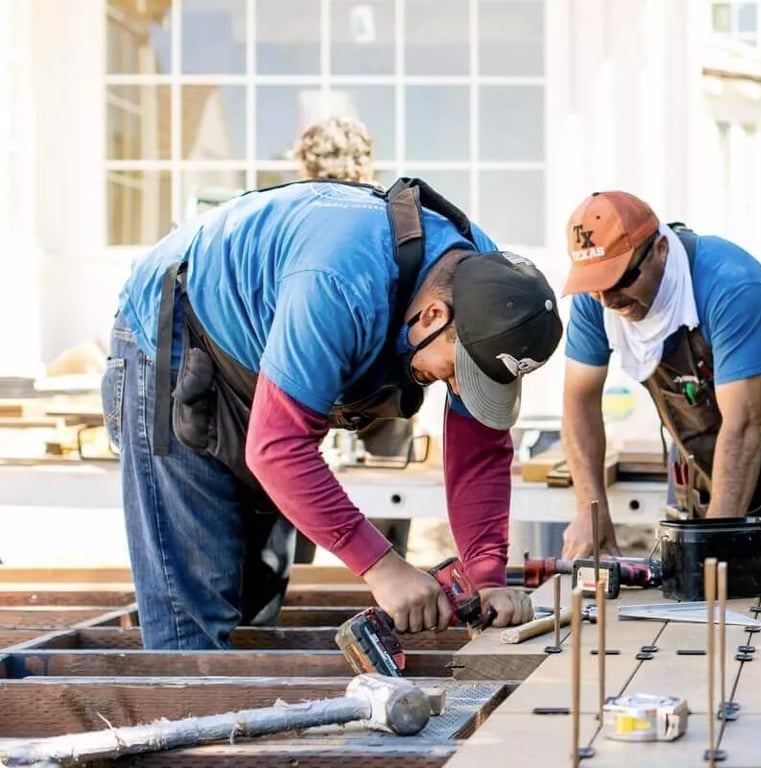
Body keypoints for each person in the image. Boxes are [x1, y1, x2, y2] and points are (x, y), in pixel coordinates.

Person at [101, 177, 562, 649]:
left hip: (261, 340)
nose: (462, 388)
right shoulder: (339, 284)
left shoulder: (489, 290)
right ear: (433, 317)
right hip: (175, 331)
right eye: (458, 371)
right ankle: (185, 710)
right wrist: (383, 567)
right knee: (195, 609)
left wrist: (486, 573)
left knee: (255, 599)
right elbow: (277, 448)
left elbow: (480, 450)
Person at [559, 191, 761, 562]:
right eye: (597, 286)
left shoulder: (731, 286)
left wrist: (712, 549)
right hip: (701, 462)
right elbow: (579, 402)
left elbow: (744, 426)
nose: (609, 300)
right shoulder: (596, 296)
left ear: (661, 249)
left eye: (622, 279)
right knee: (695, 607)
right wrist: (590, 509)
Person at [290, 115, 412, 564]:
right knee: (390, 468)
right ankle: (391, 569)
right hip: (378, 370)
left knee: (290, 458)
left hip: (310, 361)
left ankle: (294, 570)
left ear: (304, 167)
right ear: (366, 167)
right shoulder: (390, 213)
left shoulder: (295, 214)